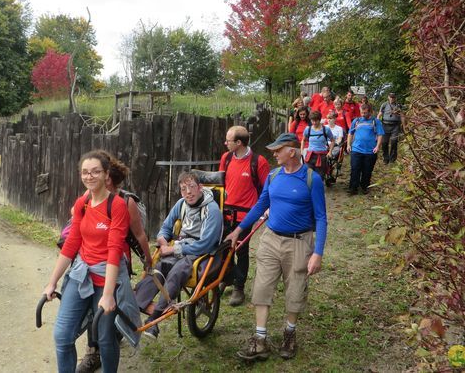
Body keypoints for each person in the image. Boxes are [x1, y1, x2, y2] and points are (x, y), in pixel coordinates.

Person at [225, 133, 327, 361]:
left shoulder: (312, 179)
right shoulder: (273, 176)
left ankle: (289, 334)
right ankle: (260, 340)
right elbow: (260, 205)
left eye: (277, 150)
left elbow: (321, 217)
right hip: (270, 239)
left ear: (292, 151)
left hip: (299, 242)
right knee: (261, 287)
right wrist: (239, 230)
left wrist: (318, 253)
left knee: (295, 290)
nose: (274, 153)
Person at [43, 150, 130, 373]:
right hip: (81, 274)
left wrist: (109, 294)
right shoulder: (82, 203)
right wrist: (52, 282)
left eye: (95, 172)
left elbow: (114, 250)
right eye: (85, 172)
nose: (89, 177)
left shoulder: (117, 205)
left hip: (106, 278)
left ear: (106, 174)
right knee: (62, 336)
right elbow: (72, 243)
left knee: (105, 338)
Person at [76, 153, 153, 373]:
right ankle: (93, 352)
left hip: (118, 260)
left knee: (109, 310)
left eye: (105, 178)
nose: (99, 182)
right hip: (91, 261)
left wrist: (147, 259)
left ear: (111, 179)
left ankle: (108, 343)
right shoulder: (89, 196)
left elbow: (139, 235)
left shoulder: (125, 202)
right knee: (92, 307)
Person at [134, 171, 223, 339]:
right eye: (183, 189)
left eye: (191, 187)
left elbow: (206, 243)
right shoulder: (181, 203)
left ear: (200, 187)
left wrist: (174, 249)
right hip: (179, 245)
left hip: (199, 251)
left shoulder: (212, 210)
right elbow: (166, 227)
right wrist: (162, 240)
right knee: (159, 268)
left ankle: (155, 319)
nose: (188, 192)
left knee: (177, 271)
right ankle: (137, 302)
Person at [219, 126, 269, 306]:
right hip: (225, 213)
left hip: (245, 215)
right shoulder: (226, 158)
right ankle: (226, 277)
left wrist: (266, 209)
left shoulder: (258, 162)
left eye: (229, 140)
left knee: (241, 250)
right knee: (223, 247)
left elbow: (266, 189)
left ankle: (239, 287)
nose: (225, 143)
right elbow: (221, 184)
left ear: (239, 143)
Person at [346, 104, 385, 195]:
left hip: (370, 151)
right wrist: (348, 144)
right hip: (356, 150)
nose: (363, 114)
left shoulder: (375, 122)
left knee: (367, 170)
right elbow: (350, 133)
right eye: (361, 112)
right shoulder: (356, 121)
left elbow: (380, 134)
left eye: (365, 112)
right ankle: (353, 188)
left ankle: (364, 187)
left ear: (370, 112)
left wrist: (377, 146)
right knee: (355, 169)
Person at [301, 111, 335, 178]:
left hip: (322, 155)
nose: (314, 123)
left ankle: (318, 187)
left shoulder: (326, 129)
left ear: (319, 120)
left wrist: (330, 152)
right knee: (308, 175)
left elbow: (333, 140)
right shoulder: (308, 129)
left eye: (316, 121)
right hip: (310, 155)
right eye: (312, 121)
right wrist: (301, 150)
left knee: (320, 176)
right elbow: (303, 140)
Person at [377, 93, 405, 164]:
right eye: (391, 97)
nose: (392, 99)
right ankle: (385, 158)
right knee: (384, 142)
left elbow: (402, 116)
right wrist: (377, 122)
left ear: (395, 98)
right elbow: (380, 114)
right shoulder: (384, 105)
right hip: (385, 125)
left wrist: (404, 126)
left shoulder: (398, 105)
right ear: (388, 97)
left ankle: (392, 159)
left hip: (395, 126)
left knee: (394, 141)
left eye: (393, 97)